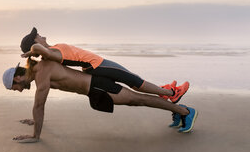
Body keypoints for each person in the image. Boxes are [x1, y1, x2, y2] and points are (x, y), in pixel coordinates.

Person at [2, 58, 198, 143]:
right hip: (94, 89)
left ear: (17, 78)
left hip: (98, 86)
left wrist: (35, 135)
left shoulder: (41, 72)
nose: (18, 91)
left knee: (140, 100)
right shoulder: (41, 73)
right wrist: (35, 121)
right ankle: (179, 111)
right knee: (140, 100)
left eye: (15, 88)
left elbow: (39, 105)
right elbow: (39, 106)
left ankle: (185, 112)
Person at [20, 27, 189, 103]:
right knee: (135, 81)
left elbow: (41, 50)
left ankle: (165, 91)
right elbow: (40, 49)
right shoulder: (51, 54)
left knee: (134, 82)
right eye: (38, 36)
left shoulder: (52, 52)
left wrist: (35, 50)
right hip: (98, 65)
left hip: (95, 66)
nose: (42, 35)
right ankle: (171, 93)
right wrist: (33, 50)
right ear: (35, 43)